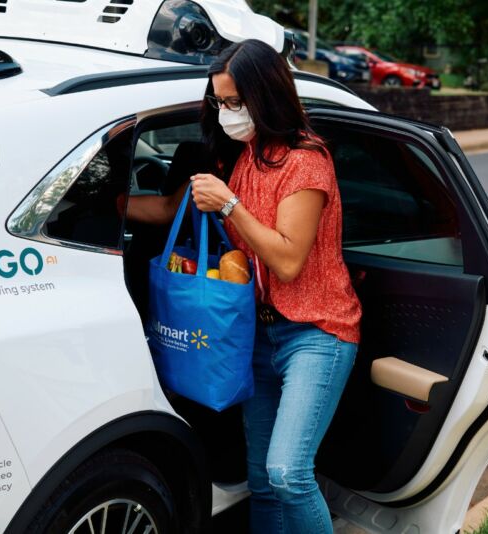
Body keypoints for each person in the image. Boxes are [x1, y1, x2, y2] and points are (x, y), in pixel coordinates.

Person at [128, 39, 362, 533]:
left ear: (266, 95)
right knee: (261, 481)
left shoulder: (307, 161)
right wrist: (106, 206)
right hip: (258, 333)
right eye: (220, 102)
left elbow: (288, 260)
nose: (227, 112)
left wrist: (230, 204)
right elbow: (174, 211)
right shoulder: (246, 156)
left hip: (317, 333)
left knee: (288, 473)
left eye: (235, 102)